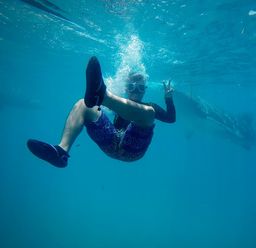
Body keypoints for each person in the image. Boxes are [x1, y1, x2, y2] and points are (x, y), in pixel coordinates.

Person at [27, 56, 176, 167]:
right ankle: (61, 152)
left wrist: (168, 98)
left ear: (145, 90)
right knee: (84, 104)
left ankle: (102, 96)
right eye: (131, 87)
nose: (136, 91)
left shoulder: (150, 106)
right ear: (125, 88)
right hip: (111, 143)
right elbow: (97, 114)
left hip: (133, 152)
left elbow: (170, 118)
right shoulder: (119, 104)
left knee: (149, 112)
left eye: (140, 88)